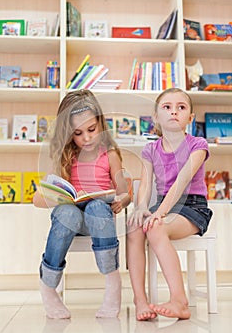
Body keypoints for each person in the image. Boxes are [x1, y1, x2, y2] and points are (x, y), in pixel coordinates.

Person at [33, 89, 131, 319]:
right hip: (69, 223)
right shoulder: (62, 156)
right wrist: (55, 196)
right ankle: (48, 287)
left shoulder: (110, 154)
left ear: (100, 123)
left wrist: (124, 198)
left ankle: (112, 284)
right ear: (68, 134)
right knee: (68, 213)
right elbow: (38, 199)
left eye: (91, 129)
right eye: (78, 133)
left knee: (96, 207)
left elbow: (124, 189)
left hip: (99, 221)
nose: (86, 138)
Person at [127, 88, 213, 321]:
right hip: (164, 206)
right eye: (167, 107)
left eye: (181, 107)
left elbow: (183, 180)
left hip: (192, 206)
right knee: (134, 226)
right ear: (156, 117)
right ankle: (140, 300)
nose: (174, 112)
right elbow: (145, 184)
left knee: (155, 227)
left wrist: (160, 213)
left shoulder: (198, 144)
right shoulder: (150, 149)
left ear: (190, 118)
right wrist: (142, 207)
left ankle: (179, 300)